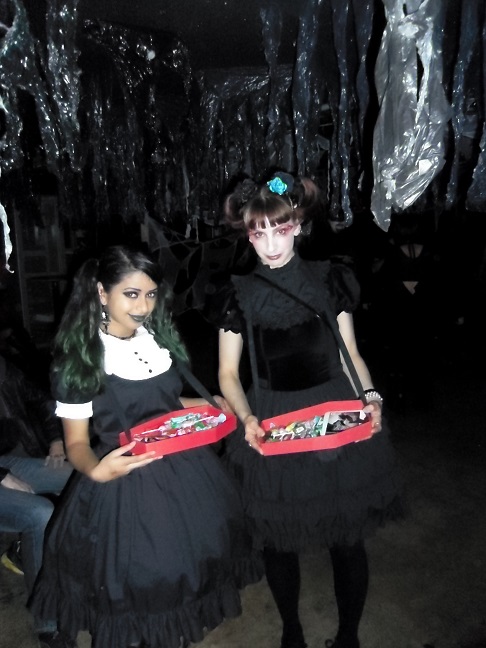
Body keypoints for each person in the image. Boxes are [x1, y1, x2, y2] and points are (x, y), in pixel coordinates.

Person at [29, 245, 260, 648]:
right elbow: (77, 442)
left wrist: (203, 402)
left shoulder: (154, 338)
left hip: (183, 469)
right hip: (127, 482)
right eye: (131, 294)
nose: (143, 306)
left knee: (188, 575)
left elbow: (162, 403)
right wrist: (96, 468)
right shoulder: (82, 358)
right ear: (102, 293)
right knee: (144, 587)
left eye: (151, 294)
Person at [217, 173, 405, 648]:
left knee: (347, 535)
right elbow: (227, 374)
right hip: (273, 417)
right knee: (279, 537)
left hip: (334, 410)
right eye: (258, 232)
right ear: (247, 235)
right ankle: (292, 633)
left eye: (279, 229)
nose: (269, 244)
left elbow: (350, 353)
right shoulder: (237, 293)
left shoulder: (330, 279)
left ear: (297, 226)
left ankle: (348, 637)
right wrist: (247, 418)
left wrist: (371, 398)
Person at [0, 353, 74, 648]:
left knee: (78, 476)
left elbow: (41, 398)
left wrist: (56, 438)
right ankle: (48, 624)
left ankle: (25, 552)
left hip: (7, 461)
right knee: (39, 512)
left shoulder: (3, 367)